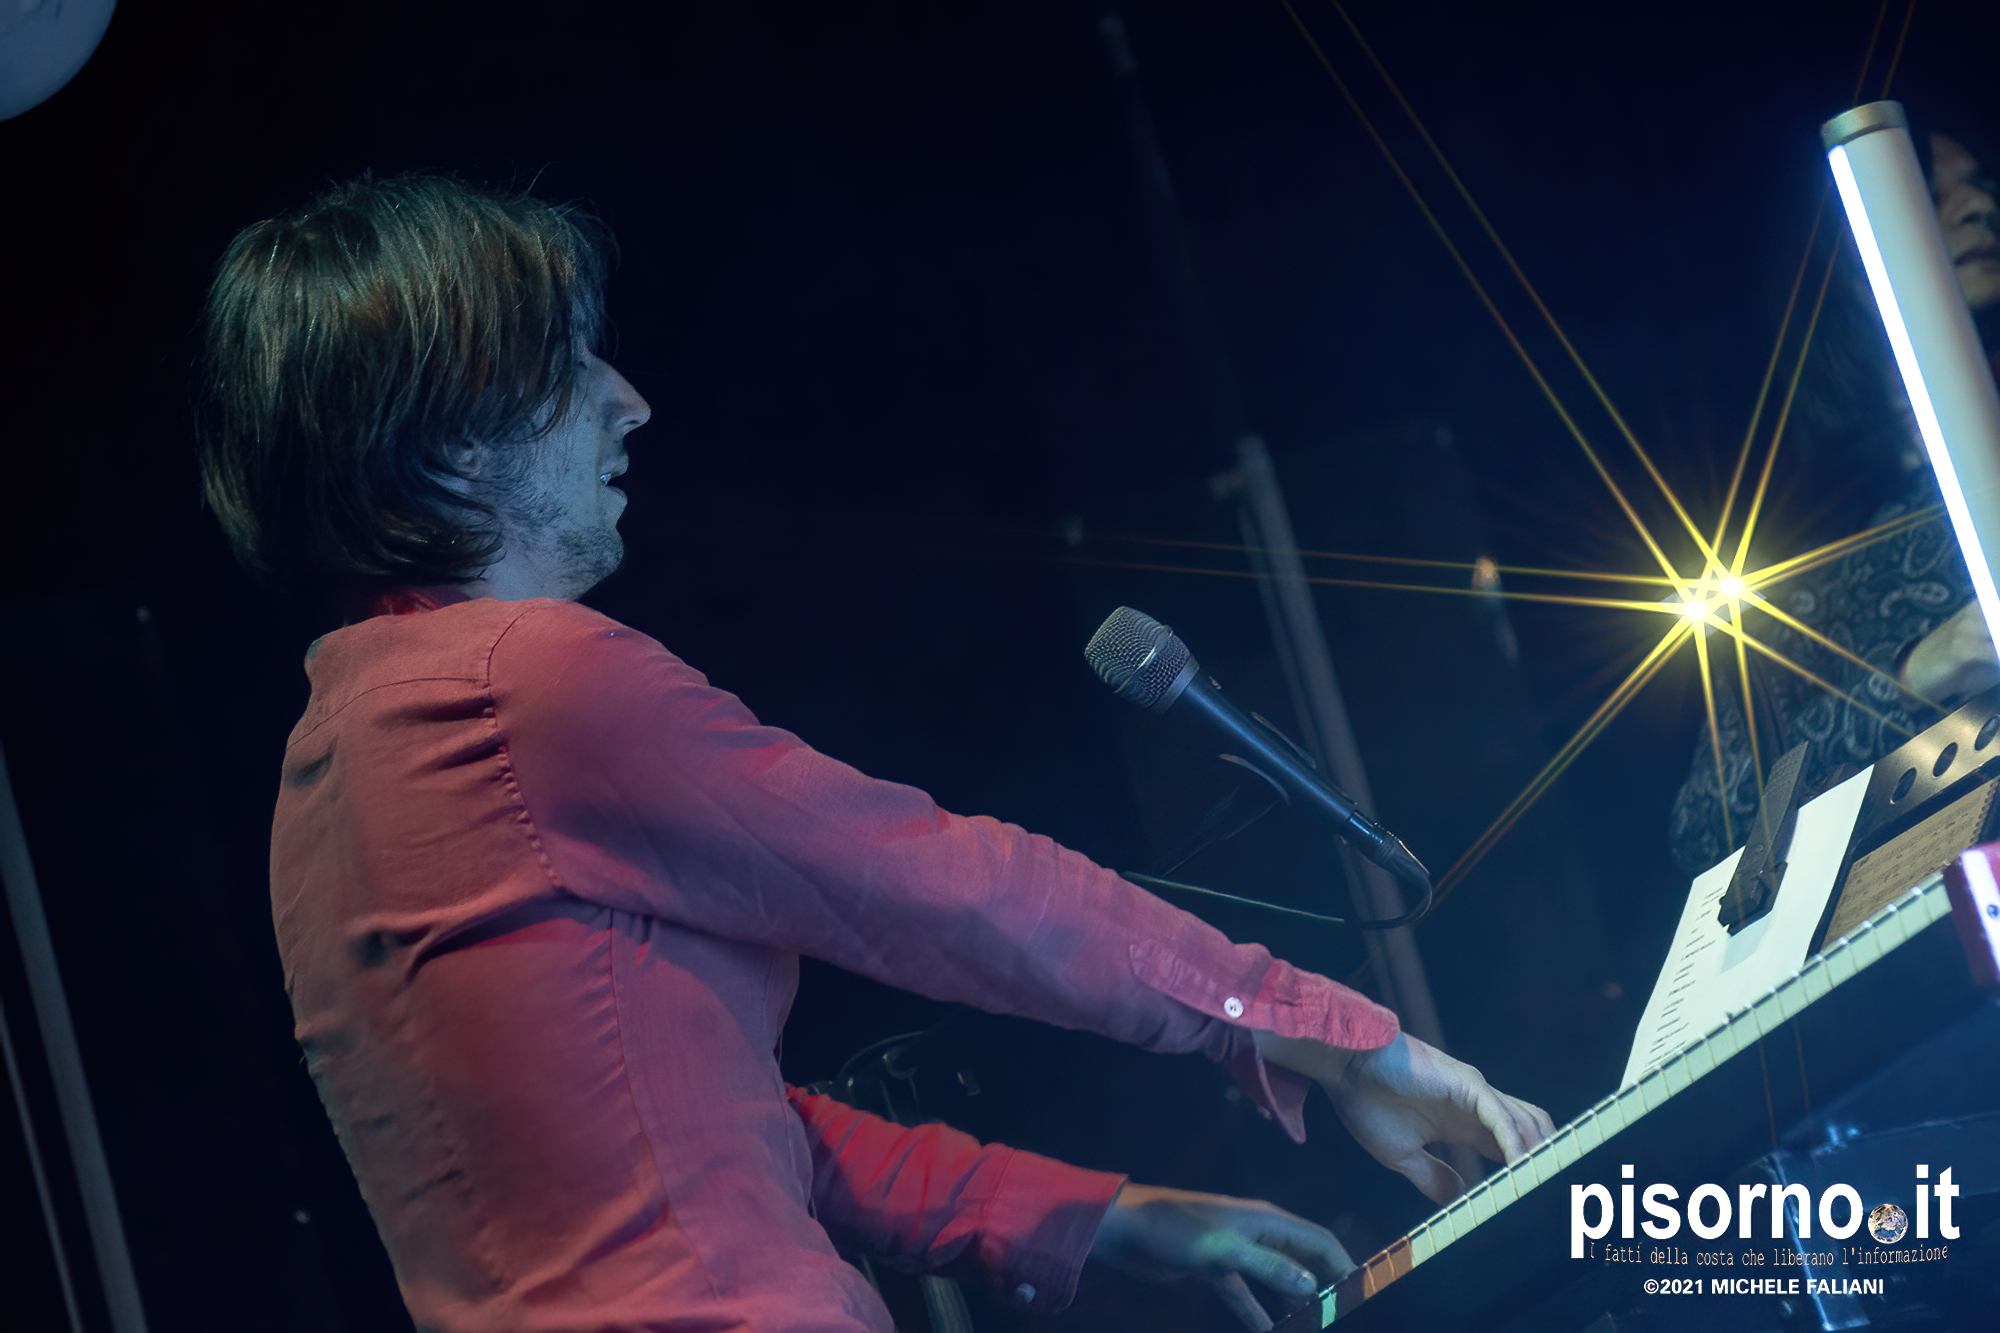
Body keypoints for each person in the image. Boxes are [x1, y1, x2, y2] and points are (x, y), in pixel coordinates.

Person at [197, 172, 1551, 1333]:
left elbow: (711, 1137)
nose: (629, 401)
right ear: (446, 443)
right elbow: (947, 888)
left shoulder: (322, 779)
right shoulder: (528, 688)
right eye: (567, 369)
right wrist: (1336, 1038)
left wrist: (1109, 1215)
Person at [1669, 126, 2000, 881]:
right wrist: (1920, 668)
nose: (1980, 206)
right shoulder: (1813, 567)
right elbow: (1709, 825)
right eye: (1933, 191)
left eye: (1982, 185)